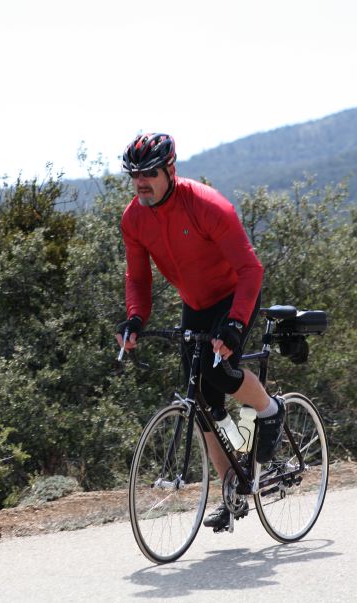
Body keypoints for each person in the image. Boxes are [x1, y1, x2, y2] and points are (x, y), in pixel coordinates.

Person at [115, 132, 285, 531]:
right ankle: (232, 489)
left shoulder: (207, 206)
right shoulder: (134, 218)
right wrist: (135, 317)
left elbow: (251, 271)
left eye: (149, 173)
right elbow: (137, 277)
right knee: (202, 403)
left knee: (217, 374)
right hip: (195, 305)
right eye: (134, 174)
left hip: (233, 297)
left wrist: (236, 323)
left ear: (170, 171)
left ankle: (269, 409)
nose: (141, 182)